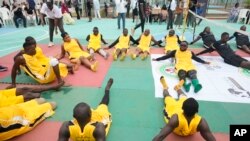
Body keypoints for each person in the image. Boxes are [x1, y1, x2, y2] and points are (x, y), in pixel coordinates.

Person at [152, 76, 216, 141]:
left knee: (168, 97)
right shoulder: (201, 122)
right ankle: (165, 87)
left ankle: (176, 88)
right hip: (173, 109)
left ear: (182, 107)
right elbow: (211, 137)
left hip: (177, 108)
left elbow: (160, 136)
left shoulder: (175, 119)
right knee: (178, 97)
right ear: (197, 111)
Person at [8, 40, 73, 89]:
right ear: (28, 50)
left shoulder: (31, 54)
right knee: (54, 61)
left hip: (45, 72)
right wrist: (13, 83)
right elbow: (14, 69)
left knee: (55, 61)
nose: (36, 50)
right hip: (43, 78)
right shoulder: (21, 58)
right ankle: (60, 82)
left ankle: (65, 70)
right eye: (34, 49)